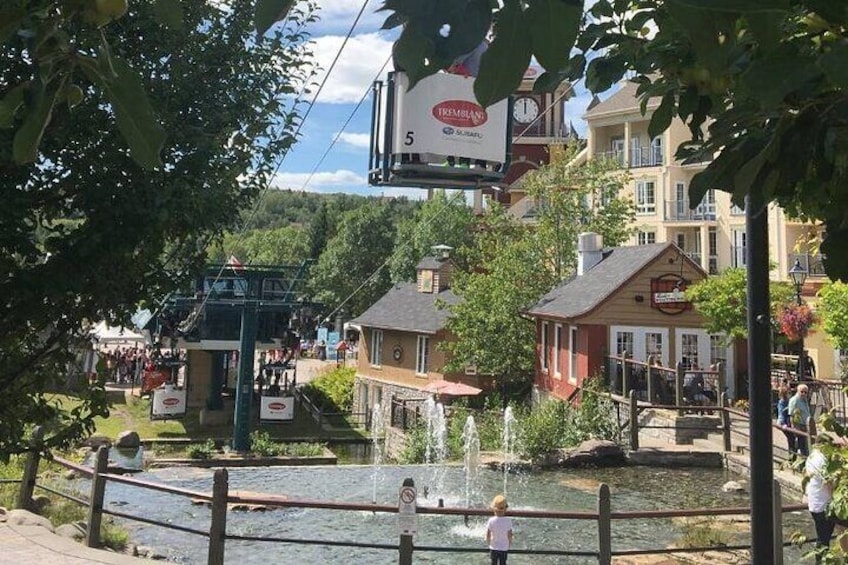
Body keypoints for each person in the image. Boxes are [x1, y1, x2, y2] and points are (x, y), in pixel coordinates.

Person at [806, 433, 848, 562]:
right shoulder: (821, 459)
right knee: (826, 537)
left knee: (823, 538)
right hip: (825, 506)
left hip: (816, 504)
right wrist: (837, 497)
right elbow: (828, 482)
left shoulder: (811, 457)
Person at [486, 494, 513, 565]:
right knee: (503, 563)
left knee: (493, 562)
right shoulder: (508, 521)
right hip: (504, 547)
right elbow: (510, 535)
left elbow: (488, 534)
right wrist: (509, 544)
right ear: (505, 509)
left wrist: (489, 543)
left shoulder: (491, 520)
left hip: (493, 546)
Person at [789, 383, 812, 456]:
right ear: (798, 391)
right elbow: (791, 414)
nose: (804, 394)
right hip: (799, 425)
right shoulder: (794, 400)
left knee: (805, 445)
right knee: (801, 445)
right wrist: (794, 427)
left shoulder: (804, 400)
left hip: (805, 425)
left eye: (805, 392)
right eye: (802, 392)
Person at [776, 385, 797, 457]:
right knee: (791, 438)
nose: (790, 394)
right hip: (784, 423)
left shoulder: (790, 401)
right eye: (789, 392)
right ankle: (792, 456)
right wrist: (783, 423)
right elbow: (781, 412)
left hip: (788, 422)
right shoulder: (782, 402)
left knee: (792, 439)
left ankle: (792, 455)